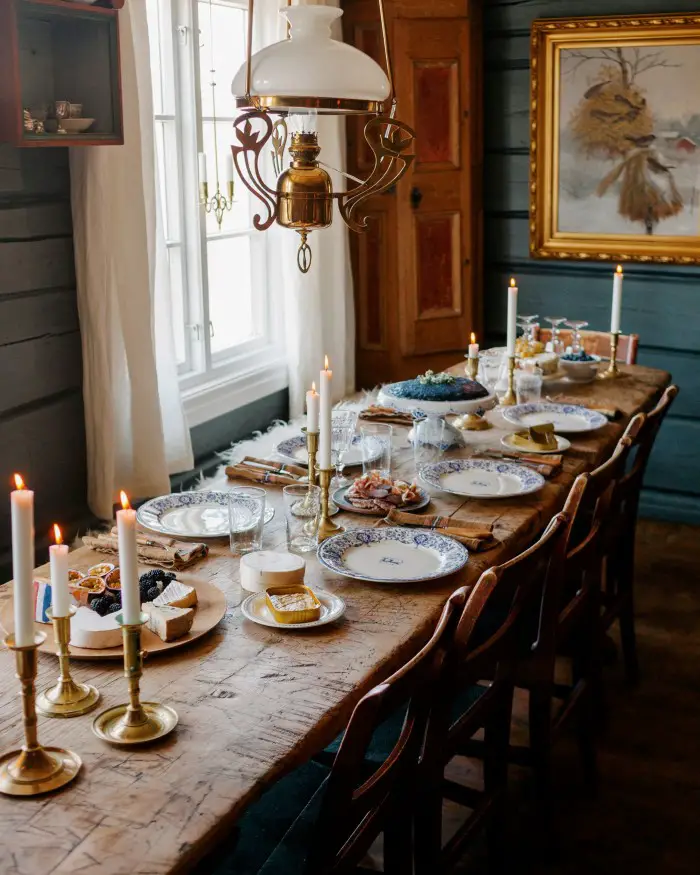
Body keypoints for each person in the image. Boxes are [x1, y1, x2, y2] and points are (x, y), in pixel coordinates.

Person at [596, 134, 683, 234]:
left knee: (651, 205)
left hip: (648, 186)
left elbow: (660, 165)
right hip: (642, 187)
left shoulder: (648, 154)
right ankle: (648, 226)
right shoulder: (636, 155)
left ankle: (649, 225)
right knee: (648, 207)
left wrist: (664, 168)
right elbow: (620, 171)